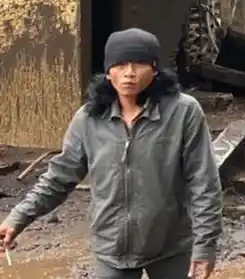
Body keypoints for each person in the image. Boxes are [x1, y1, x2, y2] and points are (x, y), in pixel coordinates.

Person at [0, 28, 223, 278]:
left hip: (171, 246)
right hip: (111, 249)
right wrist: (17, 218)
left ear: (155, 70)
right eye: (120, 64)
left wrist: (205, 246)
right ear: (108, 72)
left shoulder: (182, 112)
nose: (129, 73)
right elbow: (59, 178)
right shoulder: (89, 118)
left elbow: (204, 181)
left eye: (139, 64)